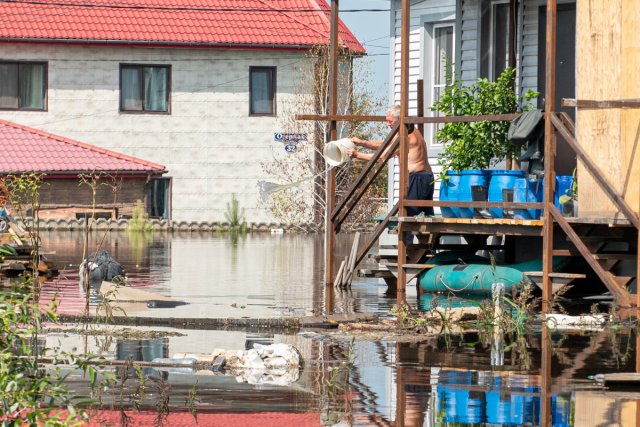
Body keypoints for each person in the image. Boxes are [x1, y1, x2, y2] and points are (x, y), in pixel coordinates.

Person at [348, 104, 434, 218]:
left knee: (408, 217)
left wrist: (357, 154)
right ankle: (433, 236)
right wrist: (362, 142)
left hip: (418, 178)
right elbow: (386, 144)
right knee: (426, 218)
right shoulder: (408, 130)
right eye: (387, 121)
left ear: (399, 119)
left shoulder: (406, 136)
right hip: (425, 177)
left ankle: (406, 236)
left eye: (390, 121)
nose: (388, 124)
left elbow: (383, 156)